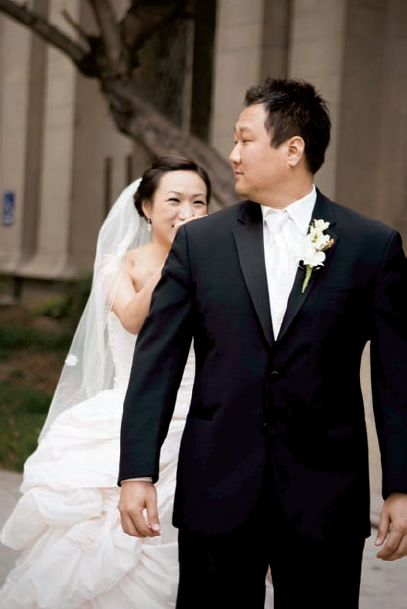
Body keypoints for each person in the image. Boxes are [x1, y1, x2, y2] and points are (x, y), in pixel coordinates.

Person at [119, 78, 407, 609]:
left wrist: (401, 486)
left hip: (325, 497)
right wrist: (137, 469)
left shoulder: (372, 246)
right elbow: (156, 361)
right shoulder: (199, 243)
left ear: (293, 149)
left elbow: (397, 379)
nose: (231, 155)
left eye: (245, 139)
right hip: (217, 489)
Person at [0, 155, 212, 609]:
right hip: (132, 416)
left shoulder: (214, 268)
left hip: (199, 418)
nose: (187, 210)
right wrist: (176, 261)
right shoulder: (121, 264)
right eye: (174, 200)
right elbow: (134, 320)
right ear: (146, 207)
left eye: (199, 201)